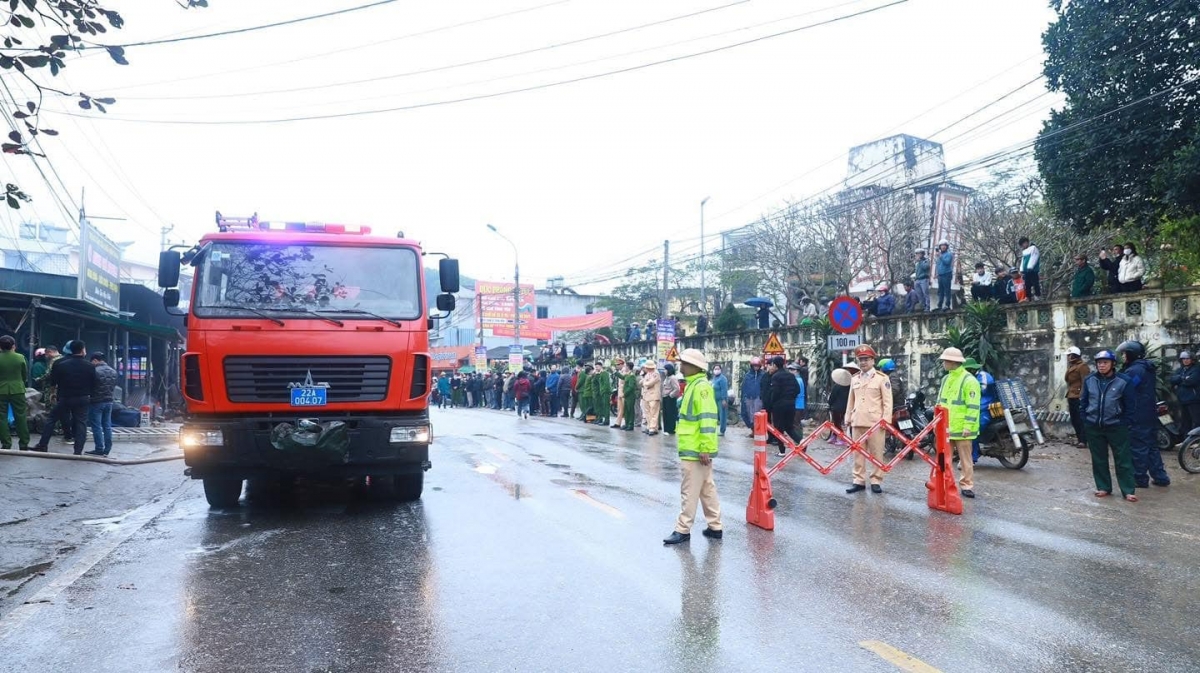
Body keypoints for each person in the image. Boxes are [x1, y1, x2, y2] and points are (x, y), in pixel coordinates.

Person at [663, 348, 722, 545]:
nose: (681, 365)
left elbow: (707, 420)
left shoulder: (700, 387)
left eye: (684, 363)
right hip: (696, 448)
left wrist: (704, 448)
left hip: (695, 450)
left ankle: (683, 529)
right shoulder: (695, 385)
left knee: (689, 490)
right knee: (706, 489)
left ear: (693, 367)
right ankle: (715, 527)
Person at [1080, 350, 1138, 502]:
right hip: (1094, 426)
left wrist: (1124, 422)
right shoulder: (1089, 380)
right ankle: (1103, 486)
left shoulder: (1124, 381)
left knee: (1123, 459)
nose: (1101, 365)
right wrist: (1085, 419)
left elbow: (1130, 405)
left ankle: (1128, 490)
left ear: (1113, 364)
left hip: (1116, 426)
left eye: (1105, 362)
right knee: (1099, 459)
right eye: (1099, 362)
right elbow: (1083, 402)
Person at [1116, 340, 1170, 488]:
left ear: (1132, 354)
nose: (1123, 356)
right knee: (1151, 446)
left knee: (1138, 447)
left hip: (1138, 413)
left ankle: (1139, 478)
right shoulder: (1145, 367)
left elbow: (1127, 388)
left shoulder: (1136, 370)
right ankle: (1160, 477)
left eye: (1125, 353)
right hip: (1148, 411)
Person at [33, 340, 96, 455]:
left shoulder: (60, 364)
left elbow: (53, 382)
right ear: (83, 350)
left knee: (51, 419)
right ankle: (78, 451)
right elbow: (94, 383)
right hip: (83, 398)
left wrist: (53, 394)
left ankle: (43, 445)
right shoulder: (90, 366)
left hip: (65, 397)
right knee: (81, 423)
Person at [845, 345, 892, 494]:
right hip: (858, 420)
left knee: (877, 452)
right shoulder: (854, 379)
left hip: (875, 422)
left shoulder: (882, 378)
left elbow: (887, 402)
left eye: (866, 359)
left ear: (873, 360)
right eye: (860, 360)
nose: (863, 362)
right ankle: (858, 480)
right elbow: (850, 400)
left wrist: (886, 420)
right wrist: (848, 417)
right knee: (857, 453)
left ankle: (876, 480)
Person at [936, 348, 981, 498]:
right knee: (945, 459)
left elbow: (973, 406)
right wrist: (936, 423)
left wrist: (968, 426)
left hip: (963, 428)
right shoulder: (945, 379)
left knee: (965, 460)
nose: (943, 363)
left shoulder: (969, 381)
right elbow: (939, 403)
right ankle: (945, 483)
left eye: (945, 360)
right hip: (946, 426)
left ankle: (966, 485)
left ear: (953, 362)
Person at [763, 355, 800, 453]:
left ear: (775, 365)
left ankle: (782, 451)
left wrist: (771, 404)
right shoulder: (791, 375)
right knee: (789, 427)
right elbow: (797, 389)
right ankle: (801, 442)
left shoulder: (775, 376)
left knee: (778, 429)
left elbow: (775, 392)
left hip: (779, 406)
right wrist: (791, 398)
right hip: (791, 405)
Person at [0, 335, 31, 451]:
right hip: (17, 390)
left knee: (1, 417)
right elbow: (24, 375)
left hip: (1, 390)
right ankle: (23, 444)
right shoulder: (20, 357)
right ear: (13, 346)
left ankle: (6, 443)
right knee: (21, 416)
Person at [84, 352, 118, 457]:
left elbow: (90, 386)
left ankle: (99, 448)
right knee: (107, 425)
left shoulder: (94, 371)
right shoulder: (113, 371)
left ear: (95, 360)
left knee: (96, 426)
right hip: (109, 401)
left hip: (96, 402)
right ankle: (107, 449)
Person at [963, 358, 995, 464]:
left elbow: (981, 389)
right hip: (977, 409)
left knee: (973, 432)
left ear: (972, 369)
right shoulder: (972, 378)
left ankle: (973, 457)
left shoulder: (983, 376)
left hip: (986, 408)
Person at [1064, 347, 1091, 447]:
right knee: (1074, 419)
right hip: (1072, 395)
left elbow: (1085, 381)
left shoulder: (1082, 366)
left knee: (1081, 419)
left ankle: (1083, 441)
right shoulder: (1072, 366)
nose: (1067, 357)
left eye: (1069, 355)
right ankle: (1079, 439)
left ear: (1074, 355)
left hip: (1079, 396)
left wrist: (1082, 395)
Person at [1170, 351, 1200, 435]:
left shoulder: (1196, 369)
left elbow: (1191, 381)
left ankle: (1196, 441)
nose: (1185, 360)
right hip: (1182, 399)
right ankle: (1186, 441)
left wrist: (1180, 379)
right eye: (1183, 359)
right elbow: (1172, 380)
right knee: (1185, 422)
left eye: (1187, 358)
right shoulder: (1180, 370)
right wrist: (1183, 378)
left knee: (1196, 421)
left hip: (1194, 400)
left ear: (1192, 359)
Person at [827, 366, 854, 446]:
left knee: (837, 424)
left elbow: (832, 397)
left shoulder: (837, 386)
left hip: (837, 408)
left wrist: (829, 404)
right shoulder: (850, 387)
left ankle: (843, 439)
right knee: (839, 423)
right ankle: (834, 437)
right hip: (847, 408)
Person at [740, 357, 765, 437]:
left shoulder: (763, 375)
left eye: (757, 365)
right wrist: (743, 397)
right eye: (754, 365)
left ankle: (758, 430)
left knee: (758, 415)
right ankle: (753, 430)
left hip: (758, 398)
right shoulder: (747, 375)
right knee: (749, 415)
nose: (756, 367)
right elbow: (744, 387)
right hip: (748, 398)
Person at [640, 361, 662, 436]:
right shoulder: (648, 374)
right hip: (646, 396)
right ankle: (649, 426)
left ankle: (653, 428)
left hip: (654, 396)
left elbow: (649, 383)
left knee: (654, 412)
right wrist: (645, 382)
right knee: (647, 412)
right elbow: (641, 382)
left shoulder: (656, 374)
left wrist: (645, 383)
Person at [934, 240, 955, 312]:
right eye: (941, 245)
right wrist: (937, 273)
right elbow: (938, 265)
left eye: (944, 245)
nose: (943, 247)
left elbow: (947, 262)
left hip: (946, 274)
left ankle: (947, 305)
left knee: (947, 290)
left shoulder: (949, 254)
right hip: (940, 275)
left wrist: (940, 256)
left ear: (946, 247)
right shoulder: (940, 255)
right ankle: (939, 305)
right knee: (940, 291)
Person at [589, 360, 611, 427]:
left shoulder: (604, 373)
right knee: (599, 406)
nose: (596, 368)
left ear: (601, 366)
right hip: (600, 392)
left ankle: (606, 420)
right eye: (595, 367)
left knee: (606, 407)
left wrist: (604, 391)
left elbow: (606, 384)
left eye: (597, 367)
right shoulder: (599, 374)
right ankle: (599, 418)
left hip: (604, 392)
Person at [661, 363, 681, 435]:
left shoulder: (673, 378)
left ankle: (671, 429)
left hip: (670, 398)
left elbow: (677, 389)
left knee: (670, 414)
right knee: (665, 414)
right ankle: (666, 429)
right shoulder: (666, 378)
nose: (664, 371)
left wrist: (671, 395)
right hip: (665, 397)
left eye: (665, 369)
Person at [787, 361, 807, 430]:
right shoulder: (798, 379)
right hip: (798, 404)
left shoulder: (797, 380)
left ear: (797, 371)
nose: (790, 371)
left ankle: (798, 439)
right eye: (789, 370)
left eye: (792, 370)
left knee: (796, 423)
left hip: (797, 404)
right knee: (796, 423)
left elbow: (795, 393)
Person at [710, 363, 729, 437]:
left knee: (722, 415)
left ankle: (722, 430)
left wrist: (724, 399)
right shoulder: (714, 378)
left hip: (721, 400)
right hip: (714, 399)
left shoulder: (722, 378)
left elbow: (724, 389)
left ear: (720, 370)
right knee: (715, 415)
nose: (716, 370)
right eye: (715, 369)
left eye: (718, 369)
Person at [620, 362, 640, 432]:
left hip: (630, 395)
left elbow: (631, 387)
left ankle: (630, 424)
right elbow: (622, 377)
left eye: (625, 366)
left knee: (630, 410)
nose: (624, 367)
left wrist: (624, 393)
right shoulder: (627, 375)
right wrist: (616, 372)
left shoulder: (632, 376)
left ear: (628, 367)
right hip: (627, 395)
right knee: (626, 410)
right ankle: (627, 423)